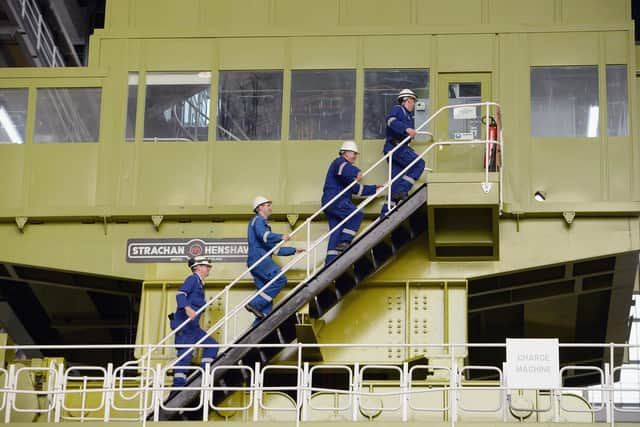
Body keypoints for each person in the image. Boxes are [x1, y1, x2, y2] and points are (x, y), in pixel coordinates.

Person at [245, 196, 304, 325]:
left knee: (266, 302)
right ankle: (254, 304)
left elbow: (274, 250)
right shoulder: (258, 221)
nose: (270, 207)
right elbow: (264, 236)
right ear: (259, 207)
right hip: (259, 259)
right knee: (280, 279)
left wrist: (294, 250)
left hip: (258, 260)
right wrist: (280, 236)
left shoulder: (262, 224)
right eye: (267, 205)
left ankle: (256, 330)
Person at [322, 140, 379, 264]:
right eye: (352, 152)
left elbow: (356, 189)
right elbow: (344, 168)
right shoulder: (339, 162)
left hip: (330, 203)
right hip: (336, 199)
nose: (354, 155)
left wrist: (375, 188)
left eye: (355, 153)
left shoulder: (344, 174)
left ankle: (330, 261)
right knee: (357, 215)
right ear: (344, 153)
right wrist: (357, 172)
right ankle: (345, 241)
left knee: (336, 230)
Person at [169, 256, 218, 388]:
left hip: (193, 327)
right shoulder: (192, 280)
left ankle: (203, 373)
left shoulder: (200, 284)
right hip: (184, 326)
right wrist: (187, 308)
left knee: (212, 345)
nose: (209, 269)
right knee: (185, 355)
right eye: (206, 266)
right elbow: (180, 294)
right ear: (198, 267)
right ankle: (177, 388)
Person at [381, 88, 426, 216]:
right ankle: (401, 191)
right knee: (419, 164)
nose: (414, 104)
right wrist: (406, 129)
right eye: (413, 101)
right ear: (407, 100)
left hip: (397, 148)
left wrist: (411, 151)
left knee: (394, 182)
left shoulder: (408, 116)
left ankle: (385, 213)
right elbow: (390, 121)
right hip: (395, 148)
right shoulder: (398, 109)